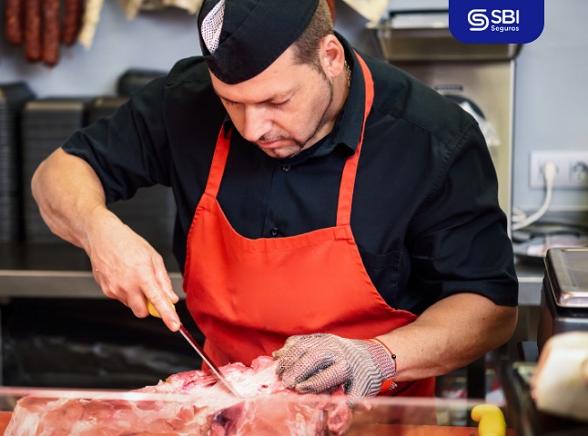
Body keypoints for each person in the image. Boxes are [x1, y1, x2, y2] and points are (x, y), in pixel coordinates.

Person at [31, 0, 518, 399]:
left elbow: (489, 307)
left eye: (276, 102)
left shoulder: (430, 139)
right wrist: (98, 229)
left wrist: (374, 357)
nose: (252, 128)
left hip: (376, 417)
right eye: (232, 103)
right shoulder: (185, 101)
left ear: (330, 56)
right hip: (228, 410)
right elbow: (58, 174)